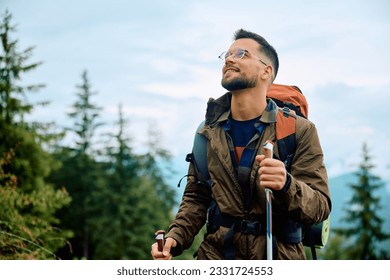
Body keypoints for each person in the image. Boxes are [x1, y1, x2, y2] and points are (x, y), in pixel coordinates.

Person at [151, 29, 331, 260]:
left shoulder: (299, 131)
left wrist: (286, 184)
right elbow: (197, 199)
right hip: (215, 256)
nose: (229, 59)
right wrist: (175, 238)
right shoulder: (208, 131)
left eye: (241, 54)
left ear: (267, 71)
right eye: (227, 54)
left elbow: (319, 207)